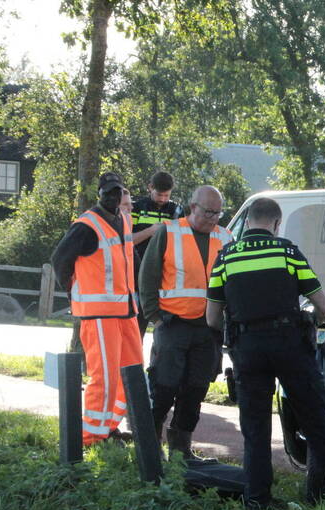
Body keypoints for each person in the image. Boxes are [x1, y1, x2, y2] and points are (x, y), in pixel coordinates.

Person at [206, 197, 325, 510]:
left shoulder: (225, 257)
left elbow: (212, 318)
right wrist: (313, 321)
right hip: (290, 346)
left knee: (255, 430)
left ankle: (257, 503)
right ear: (276, 223)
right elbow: (323, 306)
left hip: (247, 349)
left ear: (248, 222)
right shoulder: (287, 252)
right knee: (316, 421)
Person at [139, 185, 233, 461]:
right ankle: (151, 445)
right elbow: (148, 276)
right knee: (164, 386)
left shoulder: (226, 237)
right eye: (208, 212)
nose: (213, 218)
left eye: (218, 213)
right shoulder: (169, 232)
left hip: (208, 329)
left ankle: (181, 449)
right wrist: (156, 318)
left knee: (196, 388)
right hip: (173, 324)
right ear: (193, 207)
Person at [50, 172, 143, 445]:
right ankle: (91, 436)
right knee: (104, 376)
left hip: (126, 311)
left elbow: (131, 259)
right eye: (109, 192)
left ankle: (109, 427)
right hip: (100, 314)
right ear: (100, 195)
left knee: (131, 373)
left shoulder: (124, 220)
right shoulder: (86, 226)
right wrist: (74, 291)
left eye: (118, 192)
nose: (114, 197)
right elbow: (59, 261)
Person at [132, 172, 182, 338]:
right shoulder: (137, 208)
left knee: (165, 327)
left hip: (166, 276)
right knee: (137, 325)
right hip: (139, 273)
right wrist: (151, 231)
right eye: (159, 195)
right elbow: (127, 240)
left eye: (166, 196)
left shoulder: (176, 210)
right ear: (150, 188)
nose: (162, 199)